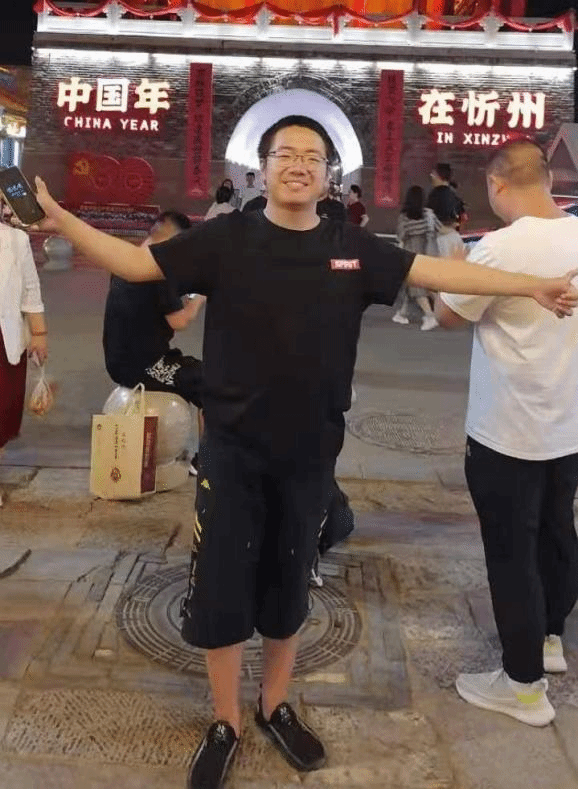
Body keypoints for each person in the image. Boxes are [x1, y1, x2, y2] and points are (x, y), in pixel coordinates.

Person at [31, 116, 577, 789]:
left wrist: (528, 286)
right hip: (231, 453)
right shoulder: (225, 239)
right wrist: (61, 220)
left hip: (310, 454)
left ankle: (275, 704)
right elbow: (138, 264)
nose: (298, 164)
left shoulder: (351, 247)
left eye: (312, 156)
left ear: (327, 176)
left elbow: (434, 270)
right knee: (222, 588)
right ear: (262, 168)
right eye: (285, 153)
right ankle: (225, 719)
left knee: (289, 584)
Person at [435, 138, 578, 728]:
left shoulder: (499, 247)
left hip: (506, 432)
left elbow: (447, 315)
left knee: (511, 552)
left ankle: (523, 687)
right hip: (568, 428)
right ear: (548, 179)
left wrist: (451, 266)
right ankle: (549, 639)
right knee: (557, 532)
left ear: (496, 185)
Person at [102, 210, 205, 470]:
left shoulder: (128, 261)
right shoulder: (159, 269)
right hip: (147, 365)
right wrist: (201, 297)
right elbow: (180, 321)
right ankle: (207, 461)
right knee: (213, 384)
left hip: (118, 361)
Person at [0, 212, 48, 505]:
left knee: (2, 407)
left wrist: (39, 334)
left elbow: (31, 289)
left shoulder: (16, 239)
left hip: (5, 338)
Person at [392, 185, 440, 331]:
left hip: (410, 254)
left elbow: (401, 235)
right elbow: (438, 229)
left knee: (416, 287)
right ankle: (402, 313)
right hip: (427, 253)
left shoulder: (405, 217)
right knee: (411, 286)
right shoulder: (428, 215)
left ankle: (430, 316)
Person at [428, 163, 466, 229]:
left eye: (433, 174)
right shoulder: (454, 193)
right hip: (452, 231)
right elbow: (463, 216)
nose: (431, 176)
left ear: (440, 176)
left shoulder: (436, 194)